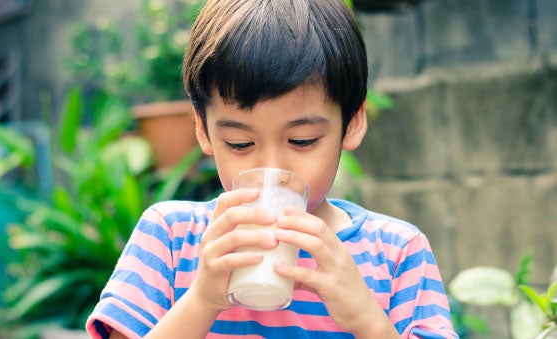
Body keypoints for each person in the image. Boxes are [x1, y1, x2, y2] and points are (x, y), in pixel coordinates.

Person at [86, 0, 458, 338]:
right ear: (202, 129)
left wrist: (367, 320)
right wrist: (201, 299)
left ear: (353, 121)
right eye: (240, 144)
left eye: (302, 140)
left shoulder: (395, 253)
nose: (273, 169)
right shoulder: (170, 239)